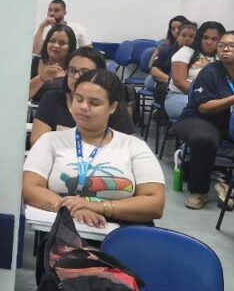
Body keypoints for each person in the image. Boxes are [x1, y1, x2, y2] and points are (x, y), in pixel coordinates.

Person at [24, 70, 165, 228]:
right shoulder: (50, 140)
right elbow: (30, 188)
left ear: (113, 107)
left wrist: (97, 207)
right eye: (78, 99)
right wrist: (74, 209)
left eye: (94, 103)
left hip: (122, 236)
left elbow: (155, 203)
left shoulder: (133, 146)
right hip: (65, 233)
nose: (84, 107)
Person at [173, 31, 234, 210]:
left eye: (232, 46)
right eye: (221, 46)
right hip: (201, 119)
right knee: (205, 139)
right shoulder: (210, 71)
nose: (225, 49)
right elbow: (204, 107)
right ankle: (198, 191)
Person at [31, 47, 136, 145]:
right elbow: (38, 143)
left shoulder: (110, 103)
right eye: (72, 70)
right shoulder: (52, 98)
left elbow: (128, 145)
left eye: (85, 72)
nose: (76, 76)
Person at [165, 21, 225, 121]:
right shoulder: (186, 52)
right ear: (199, 38)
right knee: (210, 113)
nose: (209, 42)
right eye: (205, 37)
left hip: (210, 100)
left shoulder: (221, 58)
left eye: (214, 39)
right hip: (179, 97)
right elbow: (179, 81)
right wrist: (206, 97)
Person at [29, 24, 75, 102]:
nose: (56, 45)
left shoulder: (74, 70)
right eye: (52, 41)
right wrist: (41, 78)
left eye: (62, 43)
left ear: (70, 46)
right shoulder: (32, 64)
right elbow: (22, 95)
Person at [150, 22, 196, 87]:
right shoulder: (166, 50)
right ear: (178, 37)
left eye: (191, 36)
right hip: (166, 84)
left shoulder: (198, 54)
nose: (187, 39)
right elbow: (154, 71)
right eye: (183, 35)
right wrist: (173, 81)